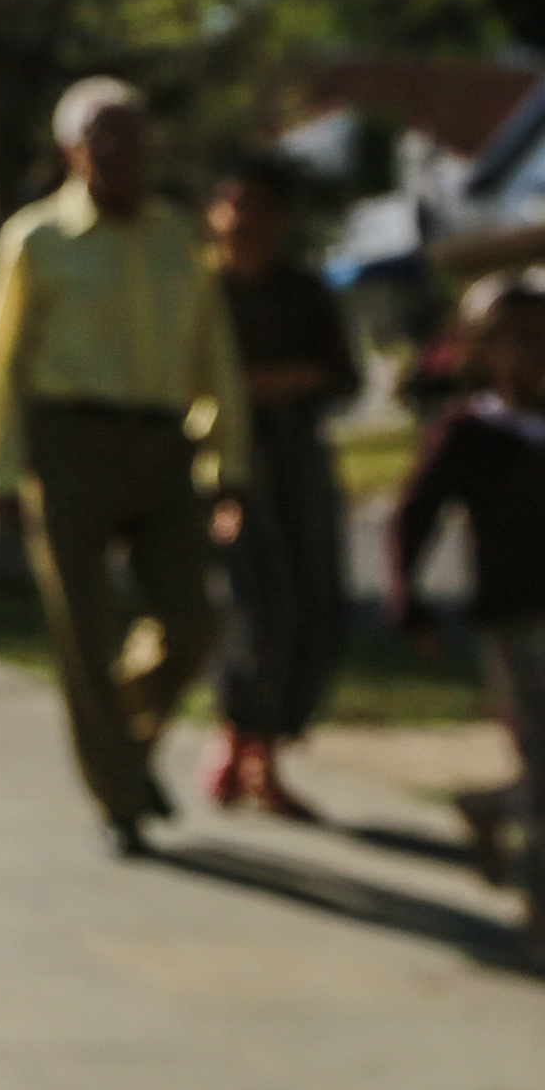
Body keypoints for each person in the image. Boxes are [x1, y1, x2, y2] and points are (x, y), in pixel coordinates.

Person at [0, 76, 253, 857]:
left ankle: (115, 738)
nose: (123, 151)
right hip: (69, 445)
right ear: (72, 151)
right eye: (105, 137)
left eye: (134, 135)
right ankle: (121, 800)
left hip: (164, 446)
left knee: (193, 623)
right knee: (84, 631)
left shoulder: (178, 238)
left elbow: (214, 353)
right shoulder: (36, 239)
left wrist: (230, 459)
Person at [386, 269, 545, 969]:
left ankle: (491, 809)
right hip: (516, 623)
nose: (535, 351)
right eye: (516, 336)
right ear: (478, 346)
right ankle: (543, 927)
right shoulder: (467, 434)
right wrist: (410, 601)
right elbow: (413, 518)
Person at [206, 155, 360, 818]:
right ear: (216, 213)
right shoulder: (198, 293)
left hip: (299, 461)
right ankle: (235, 738)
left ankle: (270, 751)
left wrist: (284, 382)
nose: (250, 221)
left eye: (265, 208)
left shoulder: (303, 291)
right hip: (227, 465)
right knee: (255, 608)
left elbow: (343, 377)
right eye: (238, 204)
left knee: (316, 605)